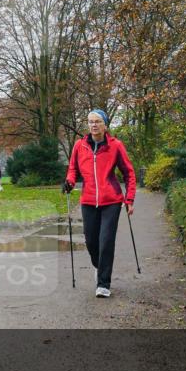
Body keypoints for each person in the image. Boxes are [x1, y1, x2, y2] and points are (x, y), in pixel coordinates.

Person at [63, 109, 135, 298]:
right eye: (90, 122)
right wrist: (70, 181)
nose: (93, 125)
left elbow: (129, 173)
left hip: (111, 201)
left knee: (106, 242)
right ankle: (99, 266)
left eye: (97, 121)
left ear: (105, 124)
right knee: (91, 242)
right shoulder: (79, 146)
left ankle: (103, 283)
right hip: (88, 200)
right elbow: (73, 169)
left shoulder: (115, 145)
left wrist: (130, 199)